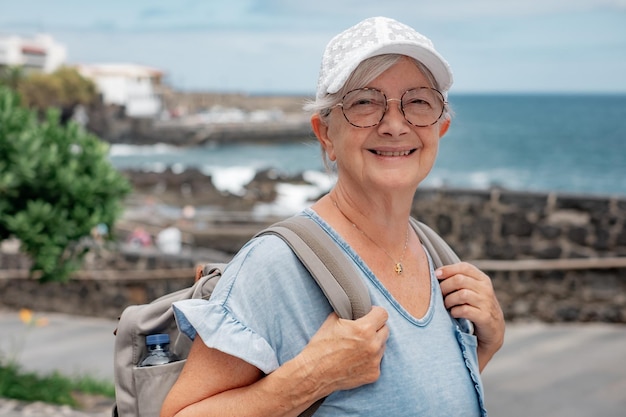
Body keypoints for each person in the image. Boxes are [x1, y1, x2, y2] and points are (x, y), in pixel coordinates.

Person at [161, 16, 505, 417]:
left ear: (440, 127)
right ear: (325, 133)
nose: (395, 125)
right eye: (364, 102)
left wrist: (486, 345)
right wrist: (309, 379)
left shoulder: (438, 257)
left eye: (418, 102)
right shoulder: (276, 266)